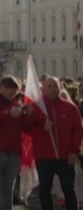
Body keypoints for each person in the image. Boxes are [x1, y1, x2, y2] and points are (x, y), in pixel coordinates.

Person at [0, 76, 46, 210]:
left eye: (15, 91)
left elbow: (25, 127)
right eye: (10, 90)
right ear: (2, 88)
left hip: (13, 153)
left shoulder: (16, 104)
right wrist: (8, 114)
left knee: (8, 189)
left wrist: (30, 115)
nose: (13, 94)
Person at [30, 76, 83, 210]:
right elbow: (26, 127)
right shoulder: (36, 107)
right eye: (50, 86)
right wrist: (42, 127)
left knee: (69, 190)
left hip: (66, 157)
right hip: (44, 157)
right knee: (45, 190)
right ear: (43, 89)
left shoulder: (70, 108)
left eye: (56, 86)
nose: (53, 89)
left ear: (60, 87)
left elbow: (77, 131)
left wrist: (74, 151)